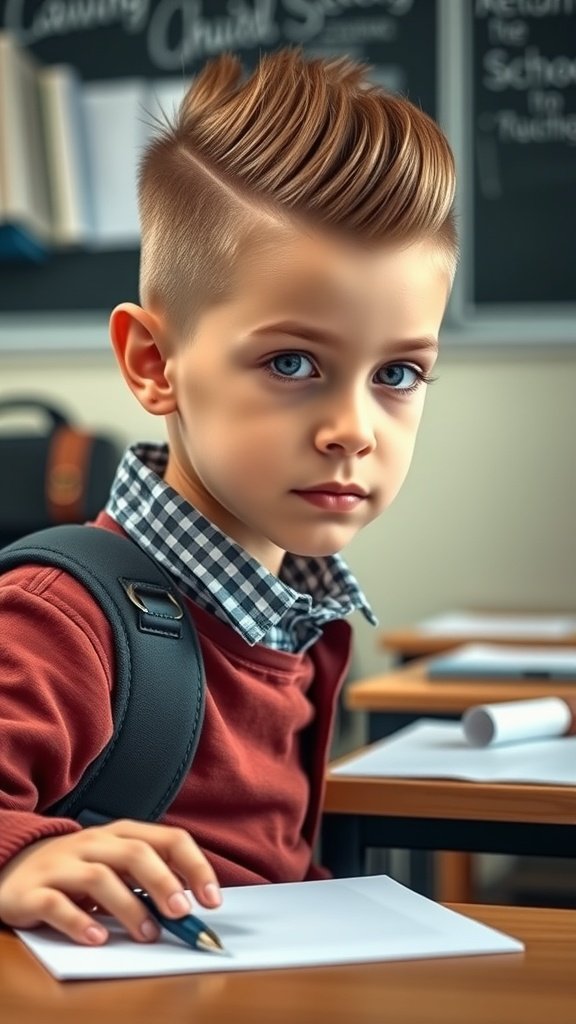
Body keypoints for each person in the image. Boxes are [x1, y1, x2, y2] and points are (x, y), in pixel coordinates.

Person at [0, 48, 457, 948]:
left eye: (398, 372)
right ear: (153, 365)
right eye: (292, 363)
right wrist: (19, 855)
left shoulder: (302, 621)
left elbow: (270, 870)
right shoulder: (60, 622)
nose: (353, 429)